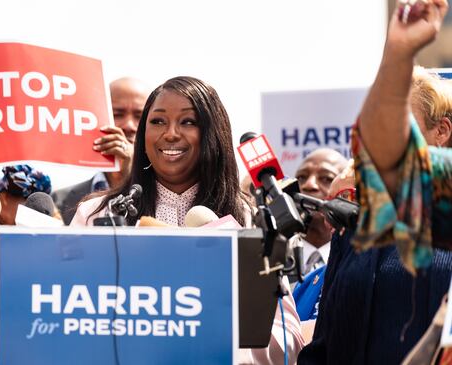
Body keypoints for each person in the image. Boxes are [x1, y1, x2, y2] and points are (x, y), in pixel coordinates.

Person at [71, 76, 303, 363]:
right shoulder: (98, 214)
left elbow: (288, 336)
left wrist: (224, 346)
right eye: (157, 121)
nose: (170, 133)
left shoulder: (252, 218)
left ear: (212, 135)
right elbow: (70, 316)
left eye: (188, 122)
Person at [298, 0, 452, 363]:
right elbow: (325, 345)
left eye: (402, 123)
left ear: (441, 131)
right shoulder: (355, 223)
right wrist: (398, 52)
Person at [53, 77, 150, 224]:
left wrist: (129, 174)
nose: (129, 125)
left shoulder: (166, 198)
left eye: (139, 116)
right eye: (117, 114)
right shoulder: (60, 202)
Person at [293, 148, 348, 275]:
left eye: (326, 178)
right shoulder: (271, 263)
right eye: (301, 177)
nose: (309, 185)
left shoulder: (359, 264)